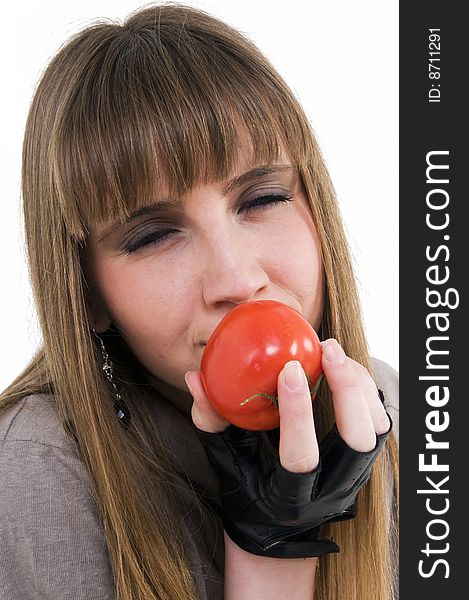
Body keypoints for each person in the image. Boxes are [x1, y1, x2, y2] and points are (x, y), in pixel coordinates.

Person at [0, 3, 399, 599]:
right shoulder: (36, 468)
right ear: (86, 292)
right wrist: (271, 559)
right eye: (154, 235)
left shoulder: (385, 407)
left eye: (261, 198)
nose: (236, 279)